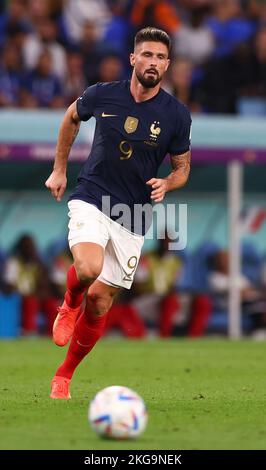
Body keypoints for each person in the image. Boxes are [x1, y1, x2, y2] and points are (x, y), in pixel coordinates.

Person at [45, 26, 192, 399]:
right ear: (133, 58)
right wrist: (59, 169)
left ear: (167, 64)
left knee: (101, 302)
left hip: (133, 214)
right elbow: (71, 118)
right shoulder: (102, 94)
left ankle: (64, 376)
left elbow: (182, 167)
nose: (153, 62)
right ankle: (69, 303)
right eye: (147, 54)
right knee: (88, 269)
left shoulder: (176, 115)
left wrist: (168, 184)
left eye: (160, 57)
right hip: (93, 195)